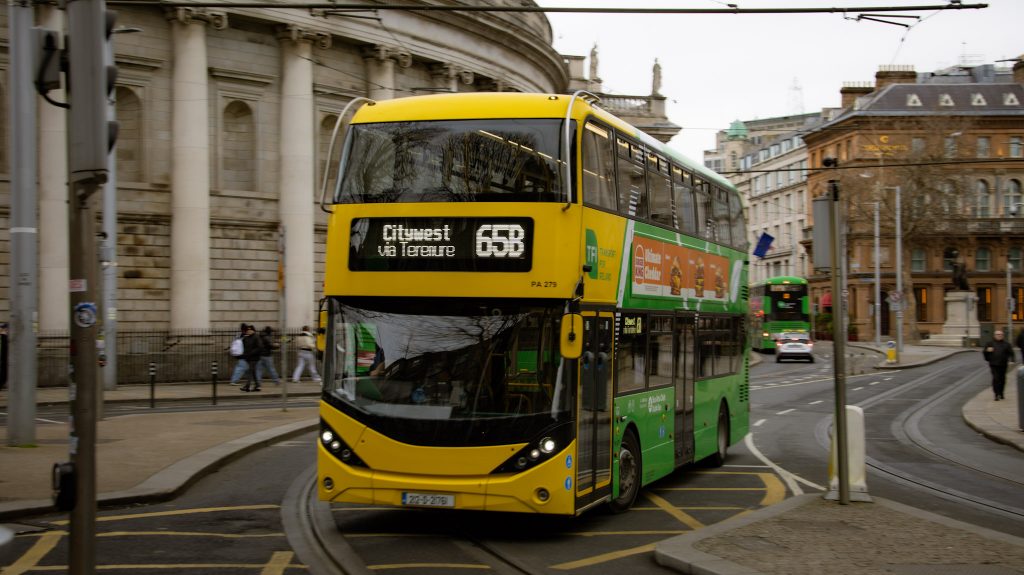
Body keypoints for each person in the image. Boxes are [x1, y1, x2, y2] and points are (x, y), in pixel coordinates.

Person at [982, 329, 1012, 401]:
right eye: (997, 334)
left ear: (1003, 336)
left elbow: (1011, 353)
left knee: (1002, 379)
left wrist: (1012, 360)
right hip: (993, 364)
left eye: (1001, 335)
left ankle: (1001, 392)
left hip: (1003, 364)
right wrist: (987, 353)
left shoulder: (1006, 344)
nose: (999, 336)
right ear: (994, 335)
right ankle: (996, 394)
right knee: (996, 378)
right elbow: (984, 352)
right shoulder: (990, 343)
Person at [239, 324, 265, 392]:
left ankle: (247, 386)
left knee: (250, 371)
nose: (248, 331)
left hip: (255, 357)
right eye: (247, 330)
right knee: (253, 371)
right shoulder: (247, 337)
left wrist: (252, 352)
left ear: (253, 330)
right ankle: (257, 386)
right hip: (249, 357)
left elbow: (260, 347)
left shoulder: (256, 337)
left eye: (250, 330)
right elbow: (245, 346)